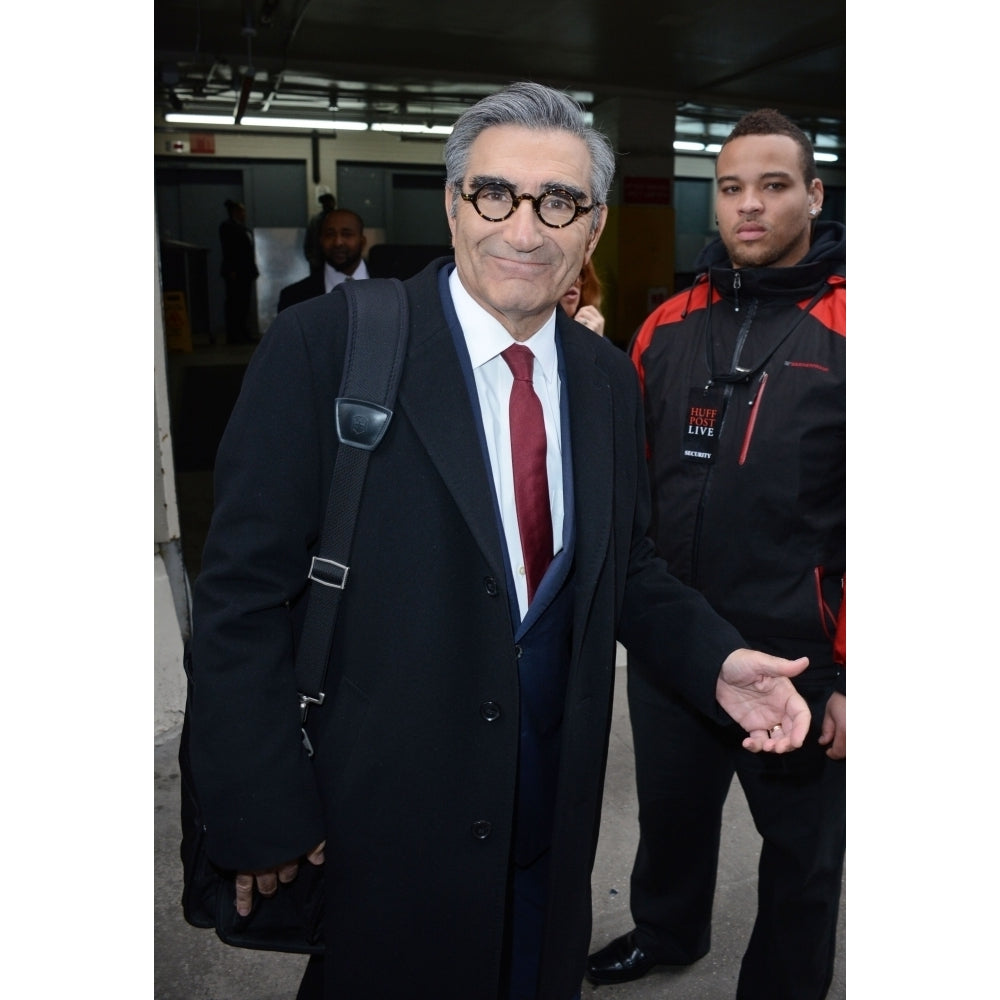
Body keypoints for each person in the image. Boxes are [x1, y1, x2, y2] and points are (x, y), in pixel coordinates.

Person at [187, 83, 815, 1000]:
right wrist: (261, 806)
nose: (524, 229)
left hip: (550, 811)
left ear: (592, 229)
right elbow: (241, 594)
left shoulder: (603, 378)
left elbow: (625, 565)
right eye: (495, 194)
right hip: (381, 813)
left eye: (558, 202)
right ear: (451, 203)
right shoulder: (328, 347)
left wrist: (717, 661)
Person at [586, 108, 845, 1000]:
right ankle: (666, 930)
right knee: (672, 810)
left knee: (804, 850)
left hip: (801, 649)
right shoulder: (664, 326)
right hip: (674, 641)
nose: (749, 206)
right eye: (731, 186)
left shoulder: (855, 329)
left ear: (813, 195)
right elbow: (627, 480)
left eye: (774, 186)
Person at [278, 208, 369, 312]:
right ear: (320, 241)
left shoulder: (389, 286)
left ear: (363, 241)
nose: (338, 242)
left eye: (346, 234)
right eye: (330, 235)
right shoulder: (293, 298)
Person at [218, 199, 259, 344]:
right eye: (242, 211)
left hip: (245, 272)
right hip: (236, 273)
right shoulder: (227, 227)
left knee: (243, 304)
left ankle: (243, 333)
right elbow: (229, 250)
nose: (244, 214)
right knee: (235, 303)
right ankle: (234, 335)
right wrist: (232, 269)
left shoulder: (243, 228)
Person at [559, 259, 605, 336]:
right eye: (564, 272)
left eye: (580, 272)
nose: (576, 280)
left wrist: (595, 342)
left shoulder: (597, 336)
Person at [303, 188, 337, 271]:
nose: (327, 205)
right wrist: (311, 258)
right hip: (319, 260)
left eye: (328, 202)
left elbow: (308, 241)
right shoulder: (316, 220)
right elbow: (309, 240)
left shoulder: (339, 219)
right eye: (325, 203)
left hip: (332, 260)